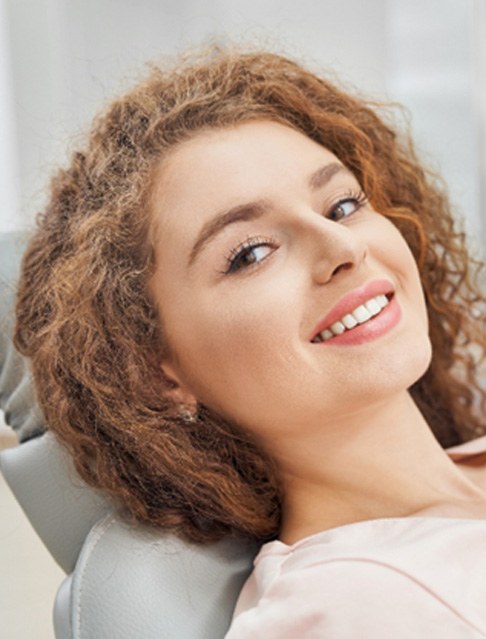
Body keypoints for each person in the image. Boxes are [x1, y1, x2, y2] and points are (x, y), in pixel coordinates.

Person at [14, 46, 486, 637]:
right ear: (157, 375)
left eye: (342, 205)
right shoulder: (350, 605)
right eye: (250, 254)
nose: (343, 249)